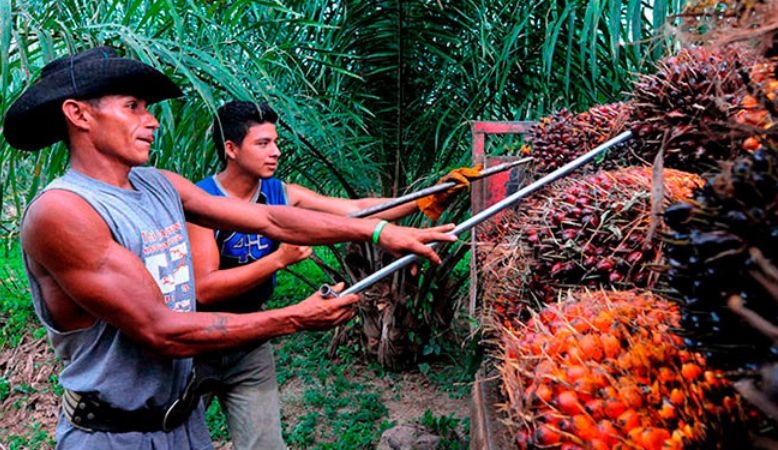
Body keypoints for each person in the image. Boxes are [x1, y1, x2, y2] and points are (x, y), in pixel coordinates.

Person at [2, 46, 457, 450]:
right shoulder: (63, 211)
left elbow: (269, 217)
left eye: (148, 108)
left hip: (182, 421)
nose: (151, 120)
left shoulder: (158, 184)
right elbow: (161, 330)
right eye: (133, 107)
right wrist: (292, 317)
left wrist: (380, 233)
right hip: (112, 435)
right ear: (79, 114)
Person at [187, 100, 480, 450]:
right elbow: (206, 290)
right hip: (198, 342)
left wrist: (430, 196)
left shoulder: (282, 194)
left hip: (252, 340)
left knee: (265, 445)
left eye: (276, 142)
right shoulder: (201, 200)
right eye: (263, 144)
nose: (276, 152)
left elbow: (359, 211)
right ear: (231, 149)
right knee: (179, 440)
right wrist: (278, 260)